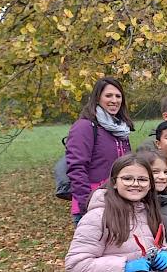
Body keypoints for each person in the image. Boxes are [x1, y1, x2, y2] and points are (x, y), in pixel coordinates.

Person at [66, 153, 167, 272]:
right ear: (114, 182)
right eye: (127, 178)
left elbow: (159, 247)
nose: (135, 184)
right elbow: (76, 264)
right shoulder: (97, 218)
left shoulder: (150, 213)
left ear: (150, 184)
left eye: (142, 179)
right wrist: (123, 267)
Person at [66, 77, 134, 225]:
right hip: (93, 206)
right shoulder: (85, 127)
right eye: (108, 95)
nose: (114, 100)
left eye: (118, 96)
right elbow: (76, 168)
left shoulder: (122, 130)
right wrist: (87, 204)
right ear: (97, 98)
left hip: (121, 205)